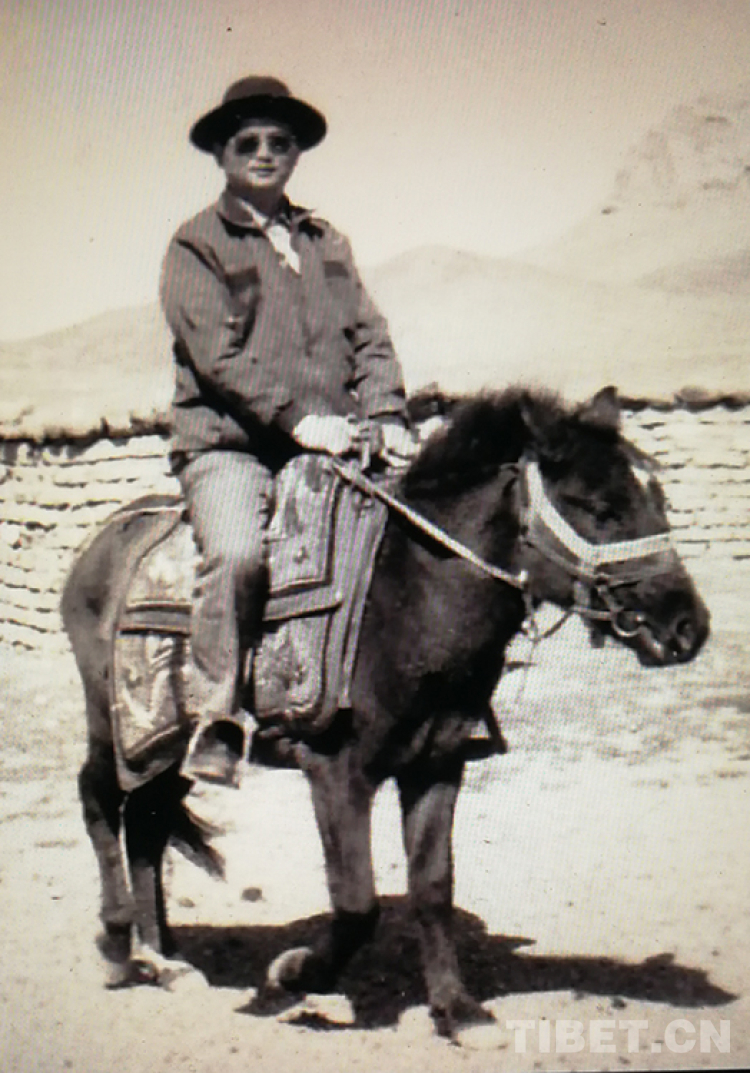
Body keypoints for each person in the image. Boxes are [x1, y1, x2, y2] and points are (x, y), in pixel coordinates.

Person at [160, 76, 416, 785]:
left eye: (280, 141)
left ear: (297, 151)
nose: (265, 153)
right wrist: (298, 420)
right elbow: (217, 358)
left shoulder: (326, 242)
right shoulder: (196, 245)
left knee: (414, 537)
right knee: (239, 555)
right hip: (232, 445)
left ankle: (419, 700)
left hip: (334, 436)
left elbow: (370, 336)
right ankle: (217, 716)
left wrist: (387, 415)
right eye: (248, 142)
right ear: (221, 154)